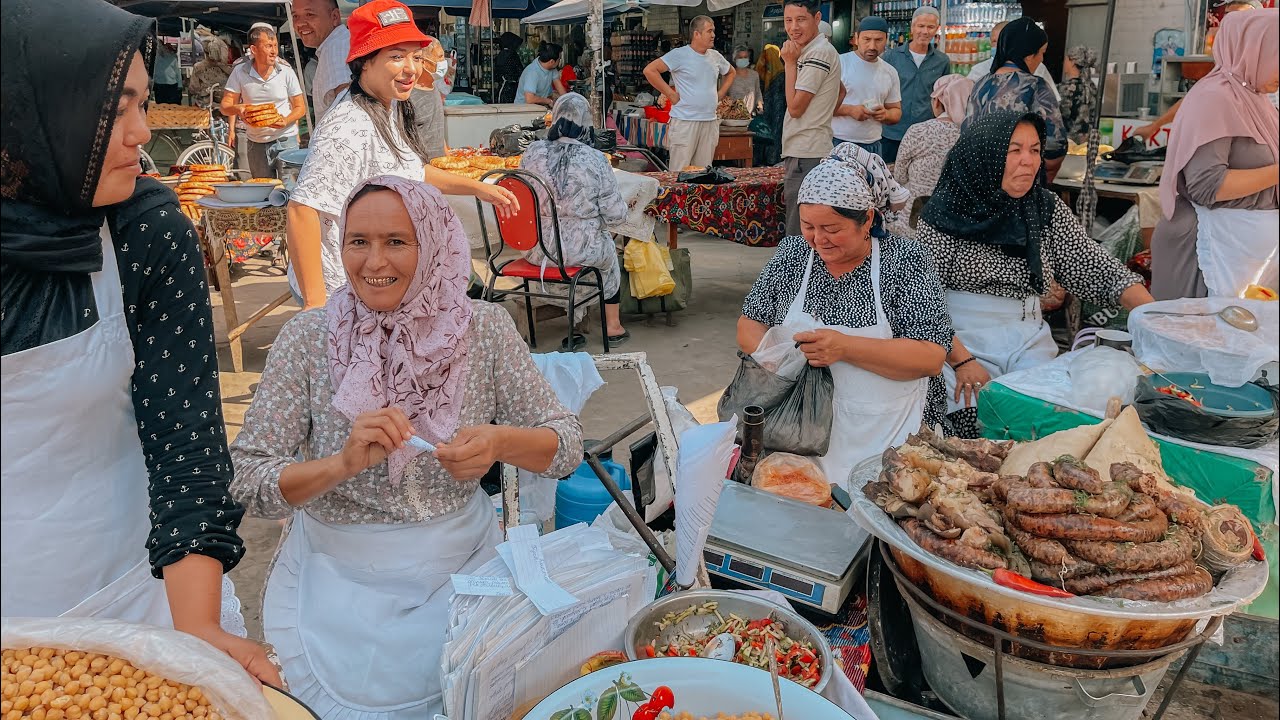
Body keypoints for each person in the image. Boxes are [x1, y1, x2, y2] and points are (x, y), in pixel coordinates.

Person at [232, 175, 584, 717]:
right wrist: (340, 465)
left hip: (459, 573)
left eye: (397, 241)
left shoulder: (482, 329)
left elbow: (566, 446)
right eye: (357, 242)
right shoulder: (308, 338)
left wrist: (498, 443)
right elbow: (250, 481)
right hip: (333, 582)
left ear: (434, 240)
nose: (374, 262)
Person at [0, 0, 278, 685]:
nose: (141, 133)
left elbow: (184, 440)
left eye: (143, 105)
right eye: (112, 111)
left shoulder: (146, 234)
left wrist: (199, 630)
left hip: (133, 598)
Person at [916, 111, 1154, 438]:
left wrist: (1154, 317)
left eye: (1035, 149)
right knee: (974, 435)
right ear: (986, 154)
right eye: (1014, 151)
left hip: (1028, 340)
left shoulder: (1044, 208)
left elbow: (1096, 268)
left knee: (1044, 429)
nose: (1028, 161)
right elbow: (922, 302)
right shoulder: (945, 215)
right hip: (958, 342)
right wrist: (961, 361)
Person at [738, 142, 951, 484]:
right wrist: (784, 357)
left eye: (832, 229)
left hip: (887, 442)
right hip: (795, 437)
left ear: (866, 219)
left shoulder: (905, 260)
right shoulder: (792, 254)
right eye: (808, 225)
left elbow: (930, 357)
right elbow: (749, 325)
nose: (818, 240)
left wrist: (844, 348)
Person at [287, 0, 518, 309]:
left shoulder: (388, 105)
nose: (411, 68)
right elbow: (302, 210)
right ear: (364, 62)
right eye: (396, 57)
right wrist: (315, 308)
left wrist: (480, 188)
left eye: (416, 56)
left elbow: (414, 170)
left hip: (375, 281)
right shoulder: (347, 126)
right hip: (341, 291)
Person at [1151, 9, 1278, 300]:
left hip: (1243, 257)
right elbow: (1207, 185)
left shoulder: (1258, 101)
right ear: (1254, 50)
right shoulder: (1214, 97)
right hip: (1203, 256)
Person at [520, 93, 631, 349]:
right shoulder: (595, 158)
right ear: (586, 121)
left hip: (538, 249)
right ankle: (613, 326)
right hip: (584, 251)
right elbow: (616, 215)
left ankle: (571, 311)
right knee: (609, 254)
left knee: (596, 245)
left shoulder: (532, 152)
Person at [1132, 0, 1263, 143]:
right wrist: (1154, 126)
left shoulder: (1266, 60)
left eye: (1238, 17)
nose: (1230, 24)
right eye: (1227, 17)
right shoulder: (1227, 63)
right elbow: (1197, 96)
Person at [965, 17, 1067, 177]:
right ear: (1028, 55)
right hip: (1018, 182)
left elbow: (966, 134)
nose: (1041, 59)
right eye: (1041, 53)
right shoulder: (1035, 86)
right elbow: (1055, 147)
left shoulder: (980, 84)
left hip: (977, 182)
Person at [780, 0, 844, 237]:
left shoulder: (818, 52)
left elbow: (796, 108)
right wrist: (823, 113)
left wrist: (789, 64)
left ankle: (796, 274)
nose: (793, 27)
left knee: (799, 231)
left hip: (807, 152)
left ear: (817, 18)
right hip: (808, 148)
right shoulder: (809, 50)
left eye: (801, 19)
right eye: (788, 20)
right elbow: (842, 91)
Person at [644, 16, 733, 172]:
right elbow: (650, 71)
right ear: (696, 34)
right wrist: (670, 95)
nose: (713, 35)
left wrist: (720, 94)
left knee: (704, 172)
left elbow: (731, 72)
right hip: (685, 121)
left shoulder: (715, 56)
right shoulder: (680, 54)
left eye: (713, 31)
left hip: (709, 121)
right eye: (709, 31)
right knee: (680, 172)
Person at [221, 25, 308, 178]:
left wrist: (286, 120)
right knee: (264, 191)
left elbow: (300, 107)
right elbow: (225, 106)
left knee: (288, 190)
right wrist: (238, 108)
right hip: (256, 143)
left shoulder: (286, 72)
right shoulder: (240, 72)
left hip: (285, 139)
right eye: (268, 46)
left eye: (275, 46)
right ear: (254, 50)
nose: (274, 51)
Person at [894, 74, 973, 225]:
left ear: (937, 102)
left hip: (914, 219)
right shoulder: (974, 136)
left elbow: (900, 177)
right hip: (957, 221)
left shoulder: (918, 131)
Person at [880, 6, 951, 163]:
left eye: (930, 27)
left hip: (925, 134)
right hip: (892, 132)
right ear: (912, 27)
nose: (925, 31)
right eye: (921, 26)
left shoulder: (942, 61)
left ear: (937, 29)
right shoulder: (891, 57)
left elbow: (944, 99)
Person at [832, 16, 902, 156]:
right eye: (867, 39)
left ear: (886, 40)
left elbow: (896, 111)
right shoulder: (839, 63)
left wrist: (886, 114)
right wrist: (850, 110)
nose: (872, 46)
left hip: (873, 145)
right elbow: (819, 106)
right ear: (856, 39)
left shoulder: (890, 72)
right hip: (838, 141)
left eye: (878, 40)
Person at [968, 19, 1059, 100]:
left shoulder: (982, 83)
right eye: (994, 41)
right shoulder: (1038, 86)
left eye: (1000, 41)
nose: (997, 46)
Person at [293, 0, 351, 121]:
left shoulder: (336, 50)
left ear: (334, 17)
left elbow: (349, 114)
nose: (299, 23)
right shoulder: (337, 44)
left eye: (309, 14)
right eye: (295, 16)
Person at [410, 37, 450, 161]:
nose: (444, 61)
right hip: (422, 168)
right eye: (440, 57)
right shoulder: (408, 96)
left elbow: (437, 129)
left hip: (440, 165)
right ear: (424, 62)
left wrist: (447, 154)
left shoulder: (434, 88)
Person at [1058, 45, 1100, 145]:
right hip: (1089, 142)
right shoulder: (1092, 87)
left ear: (1072, 62)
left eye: (1066, 60)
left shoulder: (1064, 88)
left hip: (1068, 142)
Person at [188, 35, 232, 108]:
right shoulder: (228, 69)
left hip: (206, 107)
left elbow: (194, 88)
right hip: (225, 105)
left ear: (205, 51)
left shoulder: (198, 67)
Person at [518, 42, 563, 108]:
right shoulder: (533, 72)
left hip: (539, 107)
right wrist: (548, 101)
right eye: (559, 59)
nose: (559, 61)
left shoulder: (552, 68)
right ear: (552, 62)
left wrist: (568, 101)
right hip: (523, 110)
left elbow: (560, 89)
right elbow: (529, 99)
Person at [727, 45, 763, 114]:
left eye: (745, 57)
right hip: (733, 115)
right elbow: (724, 95)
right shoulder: (730, 75)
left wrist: (760, 106)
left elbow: (758, 92)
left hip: (750, 115)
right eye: (740, 57)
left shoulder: (754, 75)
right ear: (735, 59)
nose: (743, 59)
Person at [495, 31, 526, 104]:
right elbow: (520, 71)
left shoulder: (501, 54)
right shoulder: (512, 54)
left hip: (502, 86)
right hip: (510, 88)